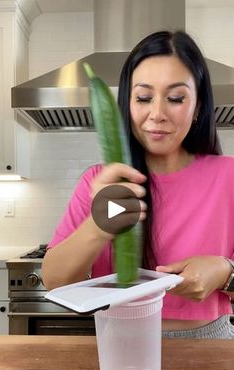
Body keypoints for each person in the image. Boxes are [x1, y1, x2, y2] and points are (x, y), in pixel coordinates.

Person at [42, 30, 234, 339]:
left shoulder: (229, 176)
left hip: (209, 343)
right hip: (119, 342)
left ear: (198, 106)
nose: (157, 114)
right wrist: (99, 225)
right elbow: (55, 282)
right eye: (143, 97)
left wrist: (226, 273)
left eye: (175, 98)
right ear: (127, 105)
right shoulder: (97, 181)